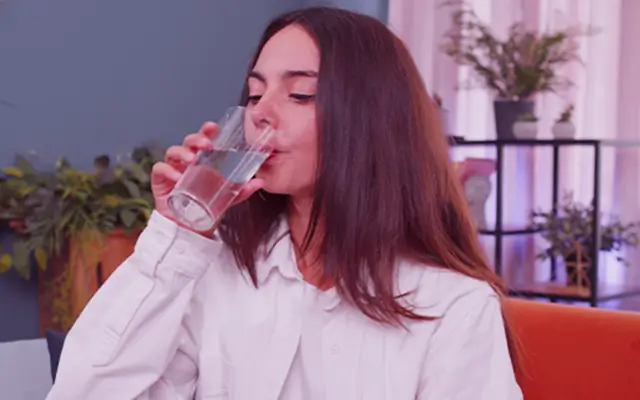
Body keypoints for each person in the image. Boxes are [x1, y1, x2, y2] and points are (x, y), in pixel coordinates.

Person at [47, 6, 522, 400]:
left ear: (373, 120)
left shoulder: (453, 306)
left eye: (300, 94)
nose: (260, 112)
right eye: (255, 93)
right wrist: (175, 237)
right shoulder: (219, 273)